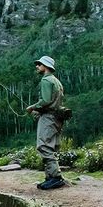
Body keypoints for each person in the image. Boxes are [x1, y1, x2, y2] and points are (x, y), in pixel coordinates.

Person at [26, 56, 65, 190]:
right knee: (50, 146)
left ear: (46, 66)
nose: (37, 66)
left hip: (48, 118)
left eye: (39, 64)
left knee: (43, 146)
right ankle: (49, 177)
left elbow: (46, 101)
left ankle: (55, 178)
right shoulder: (56, 81)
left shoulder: (46, 80)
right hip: (56, 117)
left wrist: (32, 107)